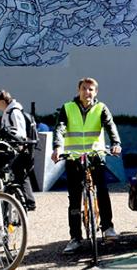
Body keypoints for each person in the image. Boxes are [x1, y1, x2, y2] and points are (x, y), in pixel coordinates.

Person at [52, 77, 122, 254]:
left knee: (102, 191)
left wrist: (115, 143)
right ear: (78, 90)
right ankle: (75, 238)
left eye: (91, 89)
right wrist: (58, 147)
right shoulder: (68, 108)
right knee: (74, 199)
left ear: (95, 92)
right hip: (74, 157)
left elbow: (110, 126)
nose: (87, 92)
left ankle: (107, 228)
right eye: (84, 88)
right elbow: (60, 128)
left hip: (95, 155)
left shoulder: (101, 108)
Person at [0, 90, 37, 211]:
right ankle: (20, 201)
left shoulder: (14, 112)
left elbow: (20, 132)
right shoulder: (9, 111)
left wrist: (17, 146)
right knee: (18, 175)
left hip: (18, 149)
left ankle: (28, 202)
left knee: (20, 175)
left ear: (2, 101)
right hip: (14, 148)